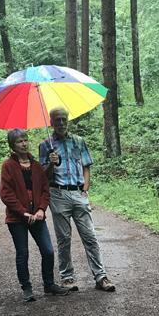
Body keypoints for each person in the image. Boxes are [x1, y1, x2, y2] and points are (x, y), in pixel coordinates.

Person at [39, 107, 115, 292]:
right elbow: (42, 176)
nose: (61, 123)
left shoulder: (79, 141)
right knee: (64, 239)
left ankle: (101, 277)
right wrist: (51, 163)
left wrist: (85, 189)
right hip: (58, 194)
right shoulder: (46, 145)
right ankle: (67, 278)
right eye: (57, 120)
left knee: (90, 237)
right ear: (51, 122)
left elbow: (86, 166)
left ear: (68, 120)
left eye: (64, 119)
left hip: (78, 193)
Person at [0, 130, 70, 301]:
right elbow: (6, 194)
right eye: (19, 141)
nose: (24, 144)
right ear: (12, 145)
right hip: (17, 219)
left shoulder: (36, 165)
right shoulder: (8, 166)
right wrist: (22, 212)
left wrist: (41, 210)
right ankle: (27, 288)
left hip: (37, 216)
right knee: (22, 253)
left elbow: (45, 189)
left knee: (48, 251)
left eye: (25, 140)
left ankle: (49, 284)